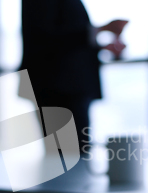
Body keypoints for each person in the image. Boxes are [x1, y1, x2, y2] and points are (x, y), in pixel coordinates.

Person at [20, 0, 127, 153]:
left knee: (75, 152)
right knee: (66, 154)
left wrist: (101, 45)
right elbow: (43, 38)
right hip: (56, 87)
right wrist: (101, 29)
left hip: (69, 86)